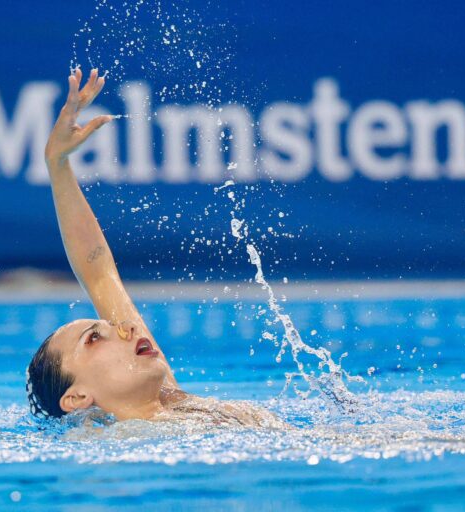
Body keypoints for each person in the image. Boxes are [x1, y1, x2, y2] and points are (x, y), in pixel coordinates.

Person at [26, 67, 285, 428]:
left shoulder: (176, 404)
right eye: (95, 338)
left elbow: (98, 272)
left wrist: (58, 165)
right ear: (77, 398)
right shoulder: (104, 449)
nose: (127, 329)